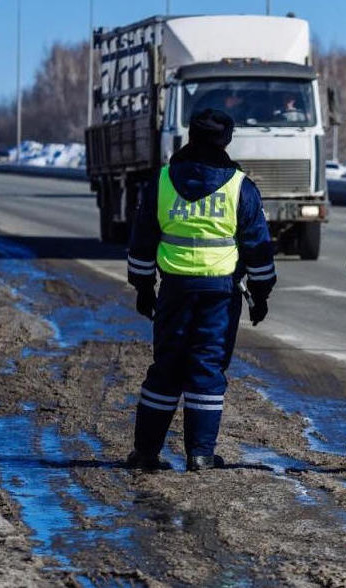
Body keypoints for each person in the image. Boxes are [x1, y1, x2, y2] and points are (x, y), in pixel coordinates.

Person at [125, 108, 276, 472]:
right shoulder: (240, 186)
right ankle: (200, 454)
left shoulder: (161, 180)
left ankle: (146, 453)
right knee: (207, 368)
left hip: (174, 290)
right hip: (220, 294)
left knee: (166, 368)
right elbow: (257, 246)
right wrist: (261, 293)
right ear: (226, 140)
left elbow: (143, 240)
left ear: (189, 135)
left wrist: (144, 288)